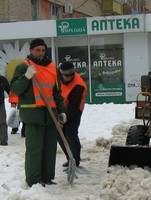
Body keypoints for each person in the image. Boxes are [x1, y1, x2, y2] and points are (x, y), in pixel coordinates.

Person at [10, 38, 66, 187]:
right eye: (37, 50)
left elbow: (57, 93)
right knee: (35, 149)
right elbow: (16, 89)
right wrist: (26, 77)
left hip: (50, 115)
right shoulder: (23, 67)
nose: (40, 53)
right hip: (33, 115)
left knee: (49, 149)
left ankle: (47, 177)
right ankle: (34, 180)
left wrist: (61, 110)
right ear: (31, 51)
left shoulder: (52, 68)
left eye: (43, 50)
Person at [58, 61, 87, 167]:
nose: (68, 77)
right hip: (61, 109)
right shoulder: (57, 79)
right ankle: (69, 157)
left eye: (71, 75)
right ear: (61, 73)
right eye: (66, 75)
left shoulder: (78, 85)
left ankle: (75, 159)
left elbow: (73, 108)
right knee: (60, 135)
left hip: (75, 110)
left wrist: (63, 121)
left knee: (71, 134)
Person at [0, 74, 10, 146]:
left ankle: (3, 140)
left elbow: (9, 90)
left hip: (1, 104)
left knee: (2, 122)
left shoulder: (2, 79)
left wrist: (14, 101)